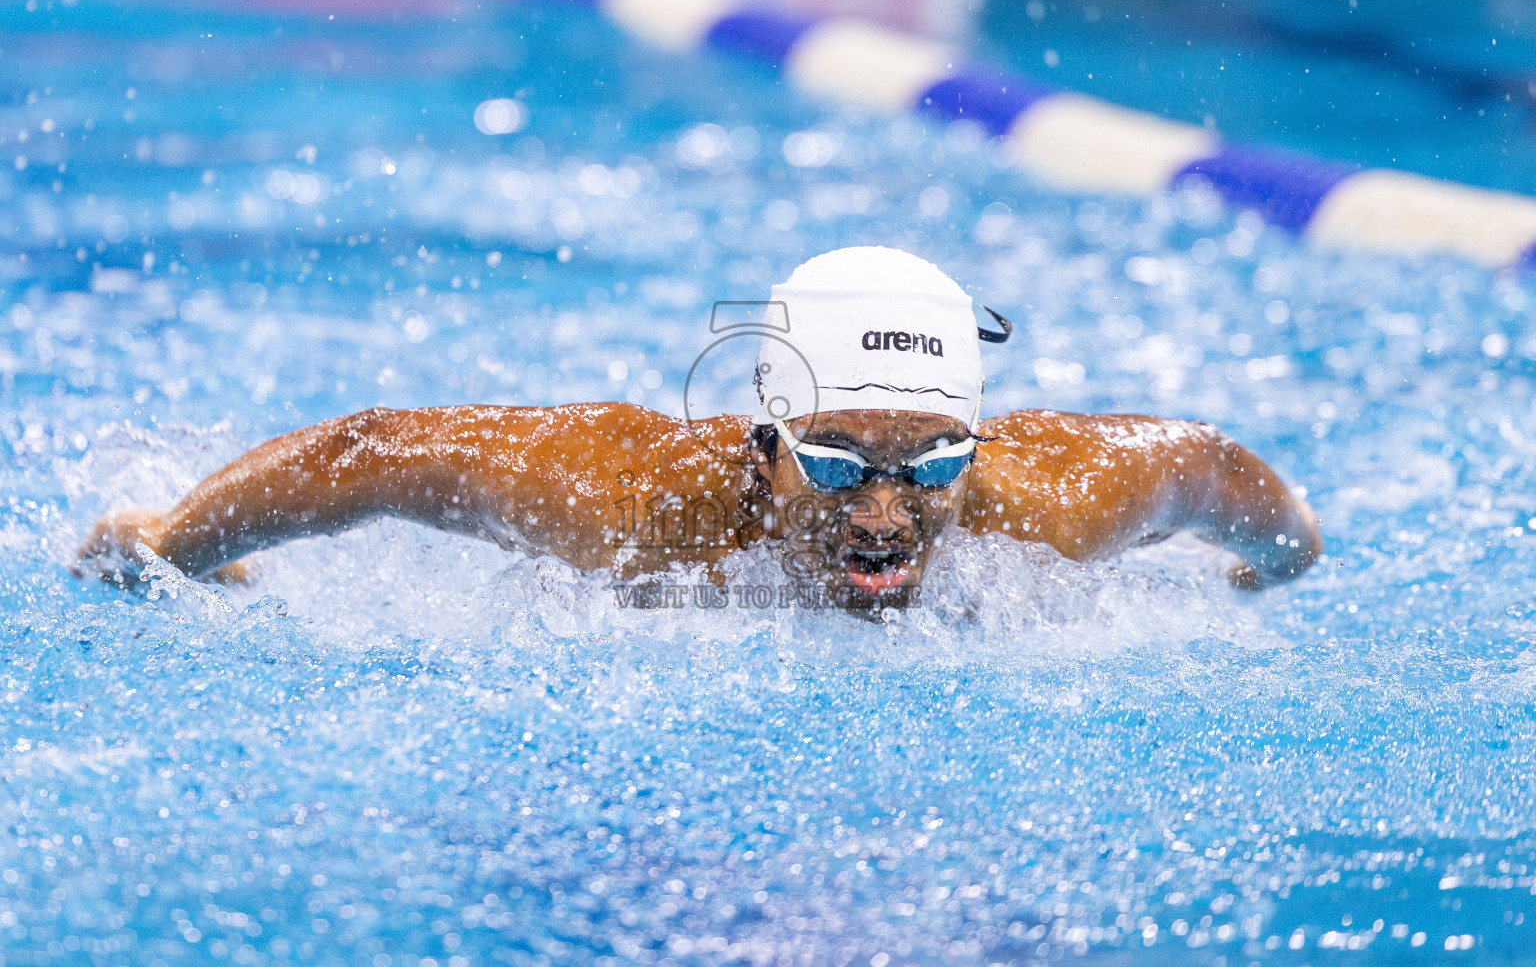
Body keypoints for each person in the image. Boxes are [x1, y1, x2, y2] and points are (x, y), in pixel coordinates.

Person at [78, 246, 1321, 610]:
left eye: (929, 463)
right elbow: (380, 451)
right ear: (768, 440)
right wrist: (175, 539)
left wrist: (1278, 566)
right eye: (838, 464)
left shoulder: (1048, 503)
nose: (885, 512)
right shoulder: (642, 504)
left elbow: (1209, 467)